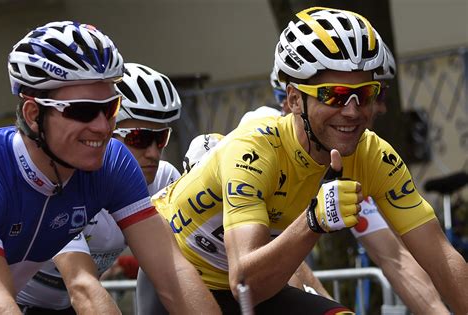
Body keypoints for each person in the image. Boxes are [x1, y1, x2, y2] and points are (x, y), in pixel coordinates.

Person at [155, 7, 467, 314]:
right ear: (293, 99)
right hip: (179, 272)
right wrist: (313, 221)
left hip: (256, 289)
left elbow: (440, 256)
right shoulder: (253, 150)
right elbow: (246, 285)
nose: (353, 111)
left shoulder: (373, 155)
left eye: (367, 94)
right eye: (335, 95)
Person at [0, 21, 220, 315]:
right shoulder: (0, 166)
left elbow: (173, 274)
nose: (102, 127)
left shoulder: (111, 162)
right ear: (34, 114)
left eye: (110, 108)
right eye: (84, 111)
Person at [15, 62, 190, 314]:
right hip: (20, 299)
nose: (153, 153)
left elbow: (175, 272)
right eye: (138, 138)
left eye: (160, 138)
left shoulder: (164, 178)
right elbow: (81, 285)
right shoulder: (67, 180)